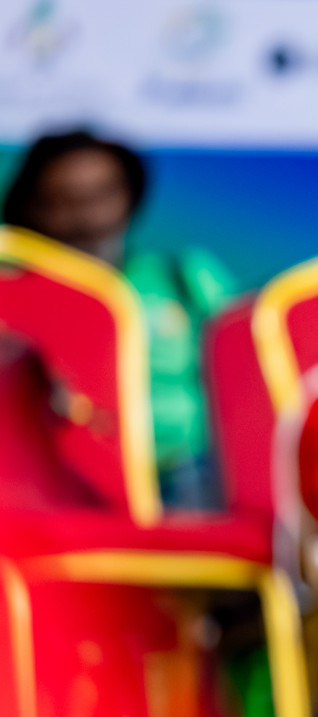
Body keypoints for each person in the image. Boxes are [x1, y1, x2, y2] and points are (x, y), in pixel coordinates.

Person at [2, 130, 237, 508]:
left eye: (102, 194)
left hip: (189, 480)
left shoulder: (185, 277)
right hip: (55, 485)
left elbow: (249, 383)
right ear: (29, 206)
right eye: (63, 199)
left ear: (131, 197)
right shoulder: (12, 296)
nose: (87, 215)